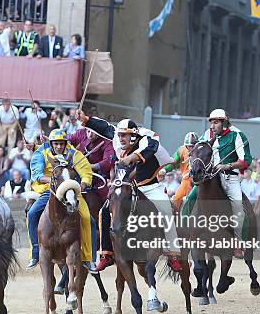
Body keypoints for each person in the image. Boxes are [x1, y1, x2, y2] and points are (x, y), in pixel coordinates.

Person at [77, 111, 183, 270]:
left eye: (124, 136)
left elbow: (151, 148)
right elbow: (105, 128)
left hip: (151, 187)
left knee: (166, 211)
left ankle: (172, 254)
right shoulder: (118, 139)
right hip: (129, 188)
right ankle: (107, 254)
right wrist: (86, 120)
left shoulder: (148, 139)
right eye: (120, 135)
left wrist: (131, 158)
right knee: (105, 211)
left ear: (133, 136)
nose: (120, 139)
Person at [183, 109, 253, 258]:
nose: (212, 126)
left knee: (239, 208)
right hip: (209, 176)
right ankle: (183, 236)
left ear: (224, 122)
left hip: (230, 177)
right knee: (188, 200)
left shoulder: (237, 135)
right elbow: (198, 150)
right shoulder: (207, 135)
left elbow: (245, 161)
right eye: (211, 122)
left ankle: (237, 243)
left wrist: (227, 166)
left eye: (216, 123)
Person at [26, 129, 97, 272]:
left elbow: (86, 173)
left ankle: (89, 258)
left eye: (61, 144)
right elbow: (37, 175)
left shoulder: (75, 154)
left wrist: (83, 182)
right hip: (50, 191)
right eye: (56, 144)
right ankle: (35, 252)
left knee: (88, 219)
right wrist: (55, 181)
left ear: (66, 143)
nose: (59, 147)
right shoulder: (41, 153)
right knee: (32, 214)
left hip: (72, 191)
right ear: (51, 143)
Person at [68, 126, 115, 271]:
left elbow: (108, 162)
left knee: (110, 203)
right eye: (88, 131)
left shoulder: (107, 141)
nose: (90, 134)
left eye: (93, 132)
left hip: (99, 178)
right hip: (78, 174)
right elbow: (67, 140)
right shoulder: (81, 132)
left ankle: (110, 241)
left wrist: (89, 166)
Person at [160, 132, 198, 205]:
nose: (191, 148)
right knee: (176, 200)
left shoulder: (201, 149)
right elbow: (173, 162)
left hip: (200, 180)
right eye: (189, 146)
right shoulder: (182, 150)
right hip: (187, 180)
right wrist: (165, 169)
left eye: (193, 146)